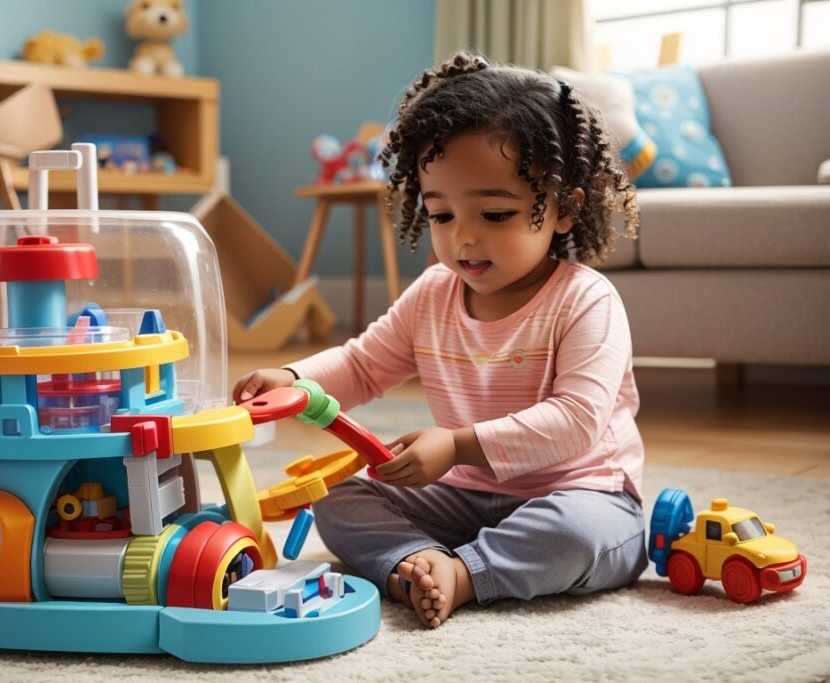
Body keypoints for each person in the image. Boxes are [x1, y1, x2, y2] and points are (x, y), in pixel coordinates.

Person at [233, 53, 646, 629]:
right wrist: (296, 380)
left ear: (564, 209)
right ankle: (417, 561)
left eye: (496, 214)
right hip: (465, 498)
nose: (464, 237)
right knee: (339, 499)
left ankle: (466, 574)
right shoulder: (433, 294)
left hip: (580, 493)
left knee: (577, 537)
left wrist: (455, 445)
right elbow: (362, 365)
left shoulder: (585, 300)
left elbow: (577, 420)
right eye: (442, 215)